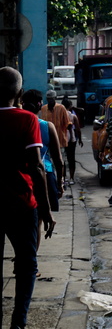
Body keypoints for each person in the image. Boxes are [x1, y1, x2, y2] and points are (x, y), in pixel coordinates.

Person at [0, 66, 56, 329]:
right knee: (26, 263)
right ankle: (18, 322)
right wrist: (46, 210)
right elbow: (36, 167)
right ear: (20, 93)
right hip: (21, 203)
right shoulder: (27, 119)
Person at [21, 89, 64, 212]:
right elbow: (58, 160)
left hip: (22, 176)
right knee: (43, 215)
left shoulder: (17, 123)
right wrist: (60, 183)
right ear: (40, 104)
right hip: (45, 174)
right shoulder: (47, 126)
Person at [61, 98, 83, 185]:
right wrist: (80, 139)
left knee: (62, 159)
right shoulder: (73, 116)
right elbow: (78, 130)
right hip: (71, 139)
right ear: (70, 106)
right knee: (71, 159)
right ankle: (71, 178)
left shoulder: (59, 115)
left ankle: (63, 178)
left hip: (61, 138)